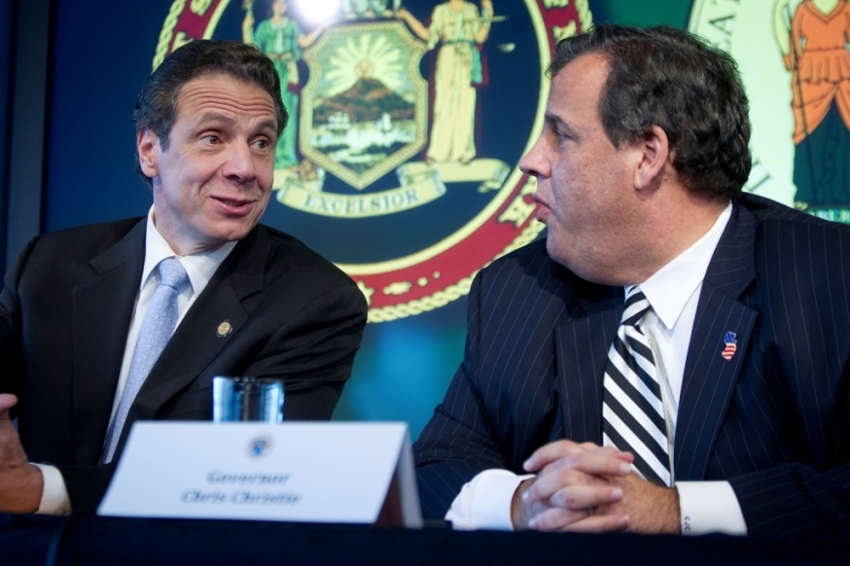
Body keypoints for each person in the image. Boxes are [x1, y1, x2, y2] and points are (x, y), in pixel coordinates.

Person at [414, 24, 850, 537]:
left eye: (561, 135)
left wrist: (675, 513)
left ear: (648, 155)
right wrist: (526, 502)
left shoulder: (829, 279)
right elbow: (432, 474)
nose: (531, 160)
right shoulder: (517, 291)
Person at [0, 40, 367, 515]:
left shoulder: (315, 301)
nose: (245, 169)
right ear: (150, 149)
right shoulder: (50, 264)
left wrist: (41, 490)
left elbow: (237, 482)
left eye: (261, 142)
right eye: (213, 137)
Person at [397, 1, 494, 164]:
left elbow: (480, 36)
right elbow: (429, 35)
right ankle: (438, 152)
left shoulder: (471, 9)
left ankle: (464, 151)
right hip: (447, 56)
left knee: (465, 103)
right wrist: (407, 16)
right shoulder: (441, 10)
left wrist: (488, 12)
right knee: (443, 104)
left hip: (468, 57)